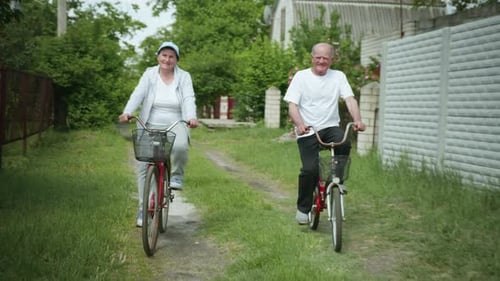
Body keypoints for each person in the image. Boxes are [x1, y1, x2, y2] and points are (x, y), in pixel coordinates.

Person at [283, 42, 366, 225]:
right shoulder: (301, 77)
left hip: (330, 127)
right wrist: (300, 124)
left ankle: (334, 180)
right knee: (309, 169)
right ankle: (303, 208)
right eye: (318, 57)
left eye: (325, 58)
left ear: (331, 60)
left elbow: (350, 99)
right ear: (312, 58)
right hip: (308, 129)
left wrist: (358, 119)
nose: (321, 61)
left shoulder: (338, 76)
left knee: (344, 143)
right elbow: (292, 105)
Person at [118, 41, 198, 227]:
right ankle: (143, 208)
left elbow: (188, 98)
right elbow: (138, 93)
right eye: (164, 55)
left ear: (176, 60)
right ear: (158, 57)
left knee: (180, 146)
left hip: (175, 122)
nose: (167, 59)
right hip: (151, 122)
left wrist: (191, 117)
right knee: (145, 165)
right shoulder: (149, 74)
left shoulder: (184, 77)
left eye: (171, 56)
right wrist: (128, 111)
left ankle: (176, 175)